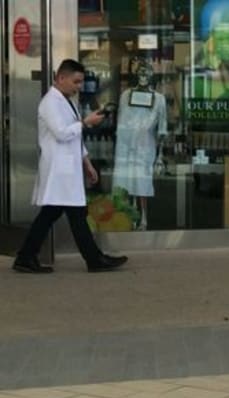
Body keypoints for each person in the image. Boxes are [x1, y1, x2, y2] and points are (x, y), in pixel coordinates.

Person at [12, 59, 128, 274]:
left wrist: (87, 162)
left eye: (81, 82)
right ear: (61, 78)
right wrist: (85, 123)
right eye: (76, 82)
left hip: (67, 167)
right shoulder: (50, 103)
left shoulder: (67, 101)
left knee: (57, 214)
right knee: (71, 214)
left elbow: (75, 138)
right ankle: (93, 259)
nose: (79, 87)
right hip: (58, 168)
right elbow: (62, 133)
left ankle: (27, 256)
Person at [113, 61, 168, 231]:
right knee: (126, 181)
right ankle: (128, 216)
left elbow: (162, 128)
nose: (143, 76)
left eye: (147, 73)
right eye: (141, 73)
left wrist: (160, 155)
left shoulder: (159, 99)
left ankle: (143, 218)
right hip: (125, 147)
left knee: (142, 183)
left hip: (145, 147)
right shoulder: (125, 95)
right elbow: (120, 123)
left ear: (152, 76)